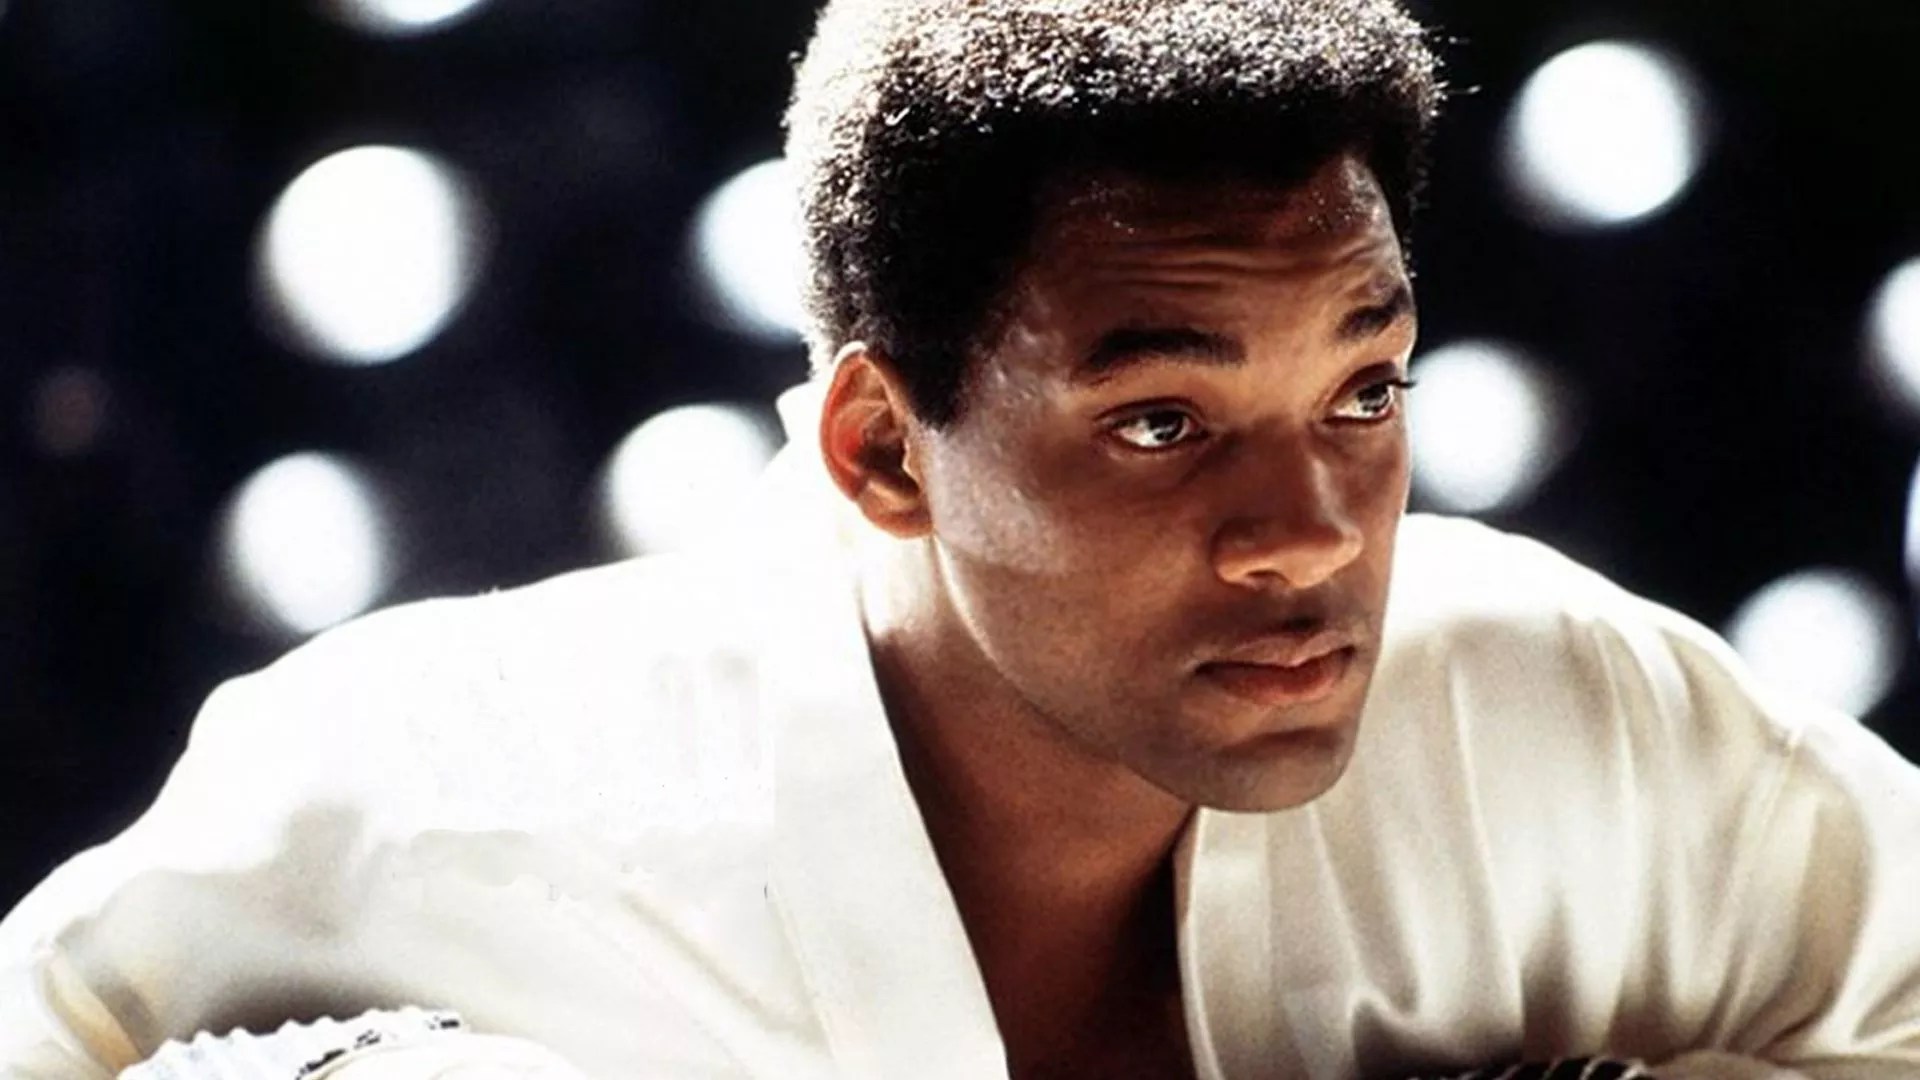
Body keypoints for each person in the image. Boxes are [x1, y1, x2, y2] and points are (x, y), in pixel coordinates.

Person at [4, 0, 1919, 1077]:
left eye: (1362, 392)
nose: (1305, 536)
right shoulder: (426, 795)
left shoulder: (1570, 717)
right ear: (879, 445)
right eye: (1161, 421)